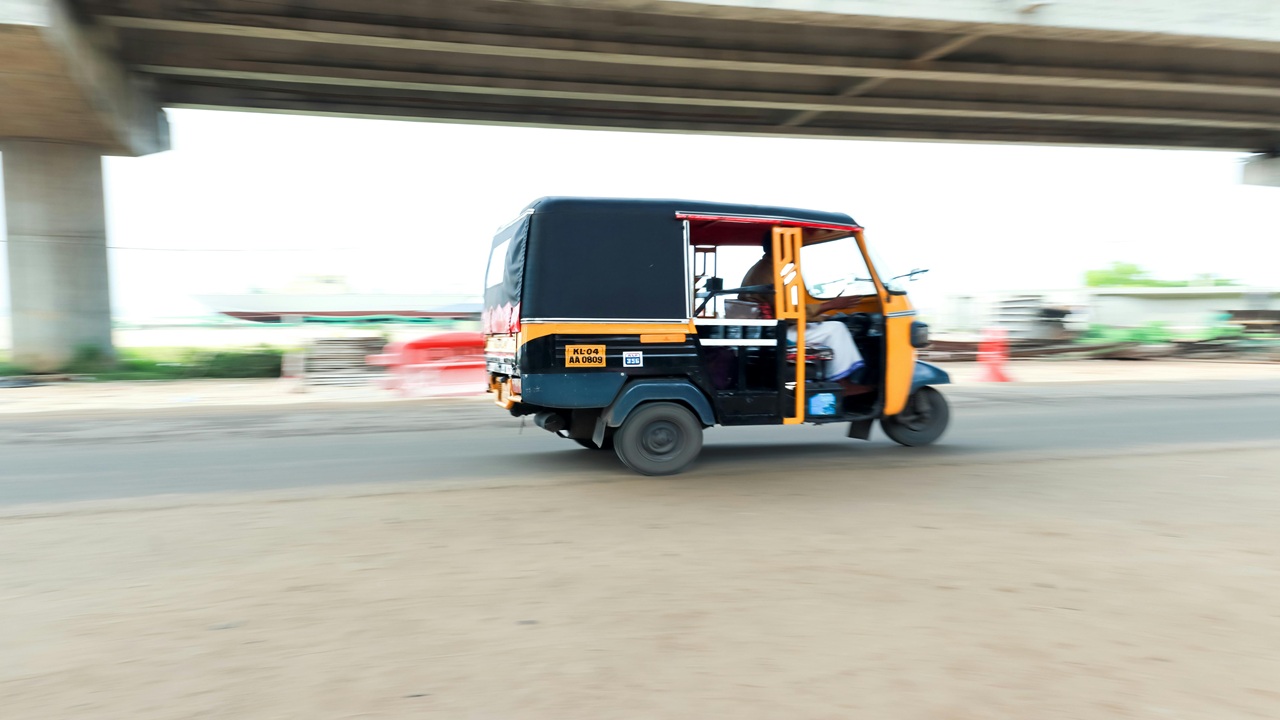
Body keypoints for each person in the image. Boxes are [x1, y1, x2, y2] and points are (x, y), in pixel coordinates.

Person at [738, 234, 868, 386]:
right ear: (783, 247)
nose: (796, 251)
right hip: (777, 333)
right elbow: (787, 312)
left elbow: (785, 310)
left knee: (828, 326)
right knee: (837, 329)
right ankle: (841, 382)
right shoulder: (769, 273)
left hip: (768, 329)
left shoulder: (763, 268)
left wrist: (820, 315)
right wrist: (831, 304)